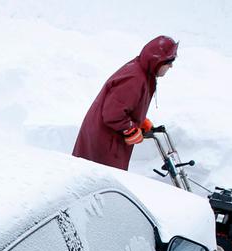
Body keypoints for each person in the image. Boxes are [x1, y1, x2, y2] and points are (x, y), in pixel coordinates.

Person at [72, 36, 178, 170]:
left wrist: (140, 120)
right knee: (102, 182)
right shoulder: (135, 78)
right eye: (169, 62)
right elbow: (112, 114)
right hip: (105, 141)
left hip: (109, 138)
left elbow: (123, 104)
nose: (171, 66)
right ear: (157, 61)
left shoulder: (144, 72)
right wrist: (131, 129)